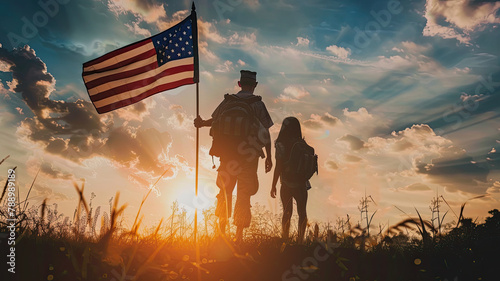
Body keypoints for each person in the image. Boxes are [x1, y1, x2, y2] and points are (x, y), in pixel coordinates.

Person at [194, 70, 273, 243]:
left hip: (227, 156)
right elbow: (265, 132)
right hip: (248, 158)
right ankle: (238, 237)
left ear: (239, 84)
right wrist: (269, 157)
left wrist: (201, 123)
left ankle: (221, 233)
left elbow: (214, 121)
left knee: (224, 192)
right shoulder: (257, 104)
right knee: (244, 194)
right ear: (255, 85)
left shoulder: (228, 100)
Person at [271, 117, 310, 243]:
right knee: (302, 212)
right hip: (301, 184)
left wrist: (273, 185)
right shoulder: (302, 144)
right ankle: (300, 240)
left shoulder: (281, 144)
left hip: (286, 183)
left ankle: (285, 239)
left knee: (287, 212)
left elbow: (278, 166)